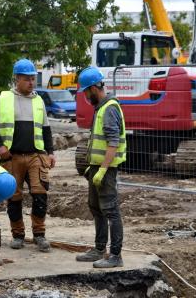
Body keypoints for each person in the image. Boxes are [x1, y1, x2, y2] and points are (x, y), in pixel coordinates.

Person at [0, 58, 56, 253]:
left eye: (33, 78)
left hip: (36, 155)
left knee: (40, 194)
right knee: (14, 197)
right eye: (27, 79)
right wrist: (0, 146)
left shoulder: (39, 100)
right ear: (17, 78)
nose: (31, 82)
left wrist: (50, 152)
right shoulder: (4, 99)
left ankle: (40, 235)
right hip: (12, 157)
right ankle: (18, 236)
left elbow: (46, 129)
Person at [75, 67, 126, 268]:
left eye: (87, 92)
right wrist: (93, 167)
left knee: (111, 211)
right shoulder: (100, 108)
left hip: (107, 170)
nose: (86, 96)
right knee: (96, 208)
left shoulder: (109, 108)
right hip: (96, 168)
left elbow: (113, 143)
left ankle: (115, 255)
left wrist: (103, 169)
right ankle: (99, 249)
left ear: (95, 88)